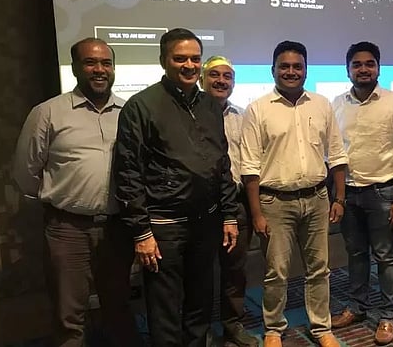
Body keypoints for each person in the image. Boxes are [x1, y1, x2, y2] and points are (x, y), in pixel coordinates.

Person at [113, 28, 239, 346]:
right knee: (165, 309)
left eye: (195, 59)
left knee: (200, 304)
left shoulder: (210, 105)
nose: (189, 65)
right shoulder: (141, 106)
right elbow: (128, 172)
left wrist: (229, 215)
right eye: (180, 58)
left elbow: (222, 164)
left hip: (206, 223)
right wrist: (141, 232)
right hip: (163, 228)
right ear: (163, 61)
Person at [13, 38, 141, 347]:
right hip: (67, 229)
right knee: (70, 315)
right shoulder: (48, 112)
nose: (99, 70)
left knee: (119, 307)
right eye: (90, 63)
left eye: (106, 63)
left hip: (117, 228)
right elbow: (25, 172)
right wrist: (64, 200)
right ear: (74, 68)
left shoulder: (130, 112)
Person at [240, 40, 347, 347]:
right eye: (284, 66)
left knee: (319, 270)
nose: (291, 72)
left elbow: (337, 155)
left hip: (317, 199)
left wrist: (339, 198)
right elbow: (249, 167)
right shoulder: (258, 109)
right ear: (272, 70)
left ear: (306, 70)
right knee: (276, 272)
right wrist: (256, 213)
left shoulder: (321, 104)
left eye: (297, 66)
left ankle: (321, 327)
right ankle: (274, 329)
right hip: (274, 202)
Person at [330, 41, 393, 345]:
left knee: (385, 256)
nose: (363, 69)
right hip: (348, 194)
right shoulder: (337, 104)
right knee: (355, 254)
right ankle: (357, 307)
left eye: (369, 63)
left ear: (379, 68)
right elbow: (334, 153)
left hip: (384, 192)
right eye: (357, 64)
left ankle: (388, 314)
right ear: (348, 70)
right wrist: (338, 196)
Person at [199, 56, 257, 347]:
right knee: (199, 270)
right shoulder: (189, 114)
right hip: (200, 205)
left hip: (236, 203)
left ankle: (233, 324)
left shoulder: (243, 116)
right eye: (214, 75)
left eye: (227, 76)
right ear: (201, 79)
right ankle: (200, 330)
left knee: (235, 269)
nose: (221, 81)